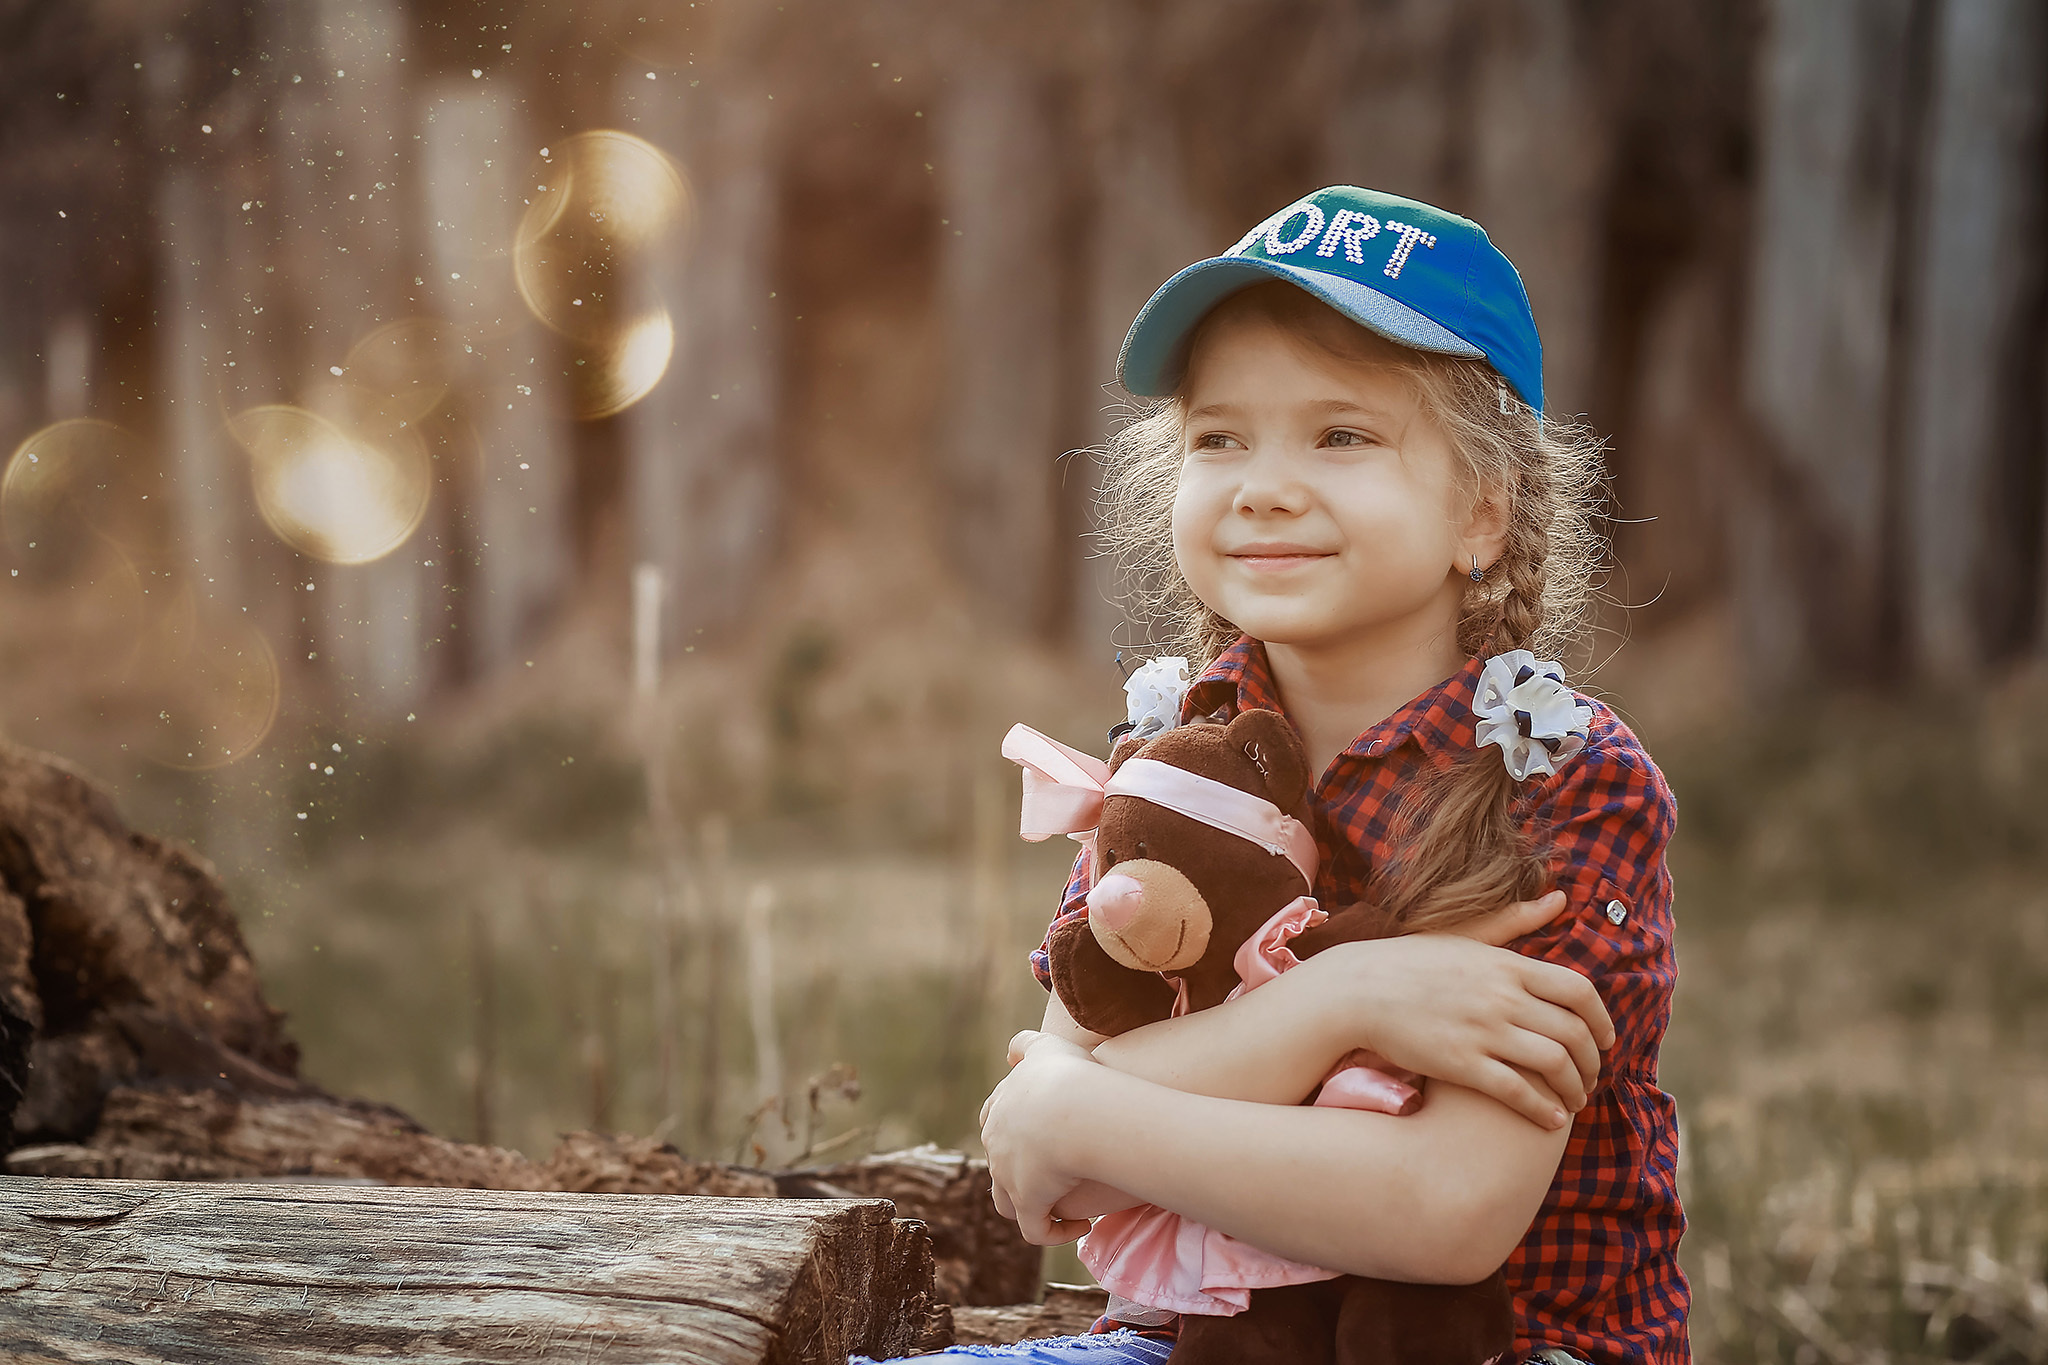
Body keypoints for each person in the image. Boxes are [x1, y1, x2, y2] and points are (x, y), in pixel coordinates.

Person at [863, 186, 1685, 1365]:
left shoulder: (1558, 779)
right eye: (1219, 438)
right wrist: (1338, 1002)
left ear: (1481, 513)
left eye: (1339, 436)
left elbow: (1446, 1212)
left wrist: (1083, 1108)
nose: (1261, 485)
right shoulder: (1174, 750)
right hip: (1190, 1342)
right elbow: (1045, 1183)